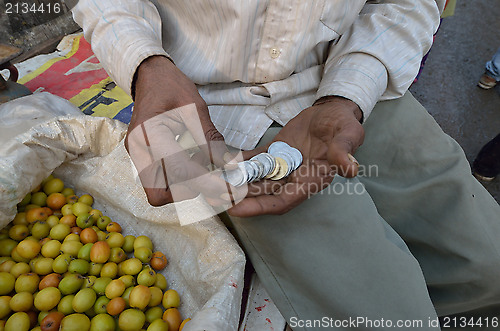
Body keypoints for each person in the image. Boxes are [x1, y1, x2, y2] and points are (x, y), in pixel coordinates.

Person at [73, 1, 500, 330]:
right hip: (201, 109)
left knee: (489, 271)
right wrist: (145, 65)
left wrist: (348, 94)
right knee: (393, 316)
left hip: (351, 78)